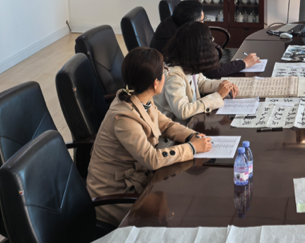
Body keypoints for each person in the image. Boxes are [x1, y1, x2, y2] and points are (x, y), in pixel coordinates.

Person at [86, 47, 213, 225]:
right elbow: (151, 159)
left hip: (138, 180)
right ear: (155, 83)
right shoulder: (124, 117)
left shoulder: (141, 97)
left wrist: (193, 136)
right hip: (115, 194)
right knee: (177, 210)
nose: (166, 73)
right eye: (164, 71)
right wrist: (192, 148)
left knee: (179, 198)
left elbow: (166, 124)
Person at [155, 21, 240, 125]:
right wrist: (218, 96)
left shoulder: (188, 63)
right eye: (211, 41)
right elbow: (183, 111)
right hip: (175, 130)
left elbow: (202, 83)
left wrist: (224, 85)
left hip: (192, 122)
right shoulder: (173, 76)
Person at [150, 0, 260, 77]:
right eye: (202, 20)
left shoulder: (171, 23)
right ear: (192, 24)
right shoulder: (185, 40)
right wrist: (243, 63)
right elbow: (211, 71)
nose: (204, 24)